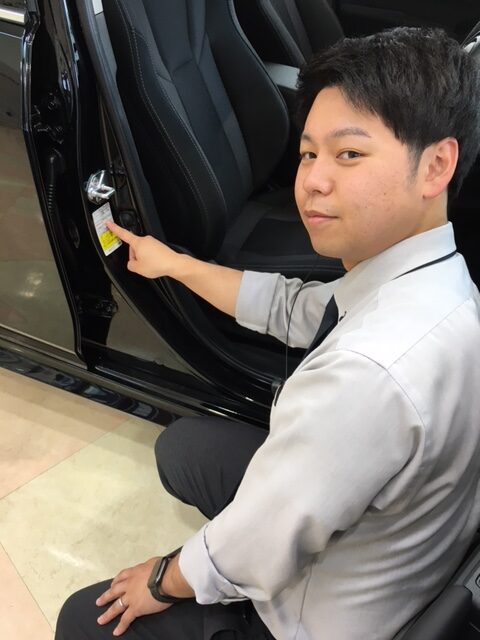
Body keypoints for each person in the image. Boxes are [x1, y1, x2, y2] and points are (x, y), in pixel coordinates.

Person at [55, 26, 480, 640]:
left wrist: (162, 578)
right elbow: (295, 307)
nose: (313, 181)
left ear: (436, 164)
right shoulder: (439, 281)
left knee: (85, 618)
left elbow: (256, 546)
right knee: (182, 450)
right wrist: (175, 265)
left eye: (349, 154)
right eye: (308, 154)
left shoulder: (367, 374)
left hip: (322, 620)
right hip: (399, 549)